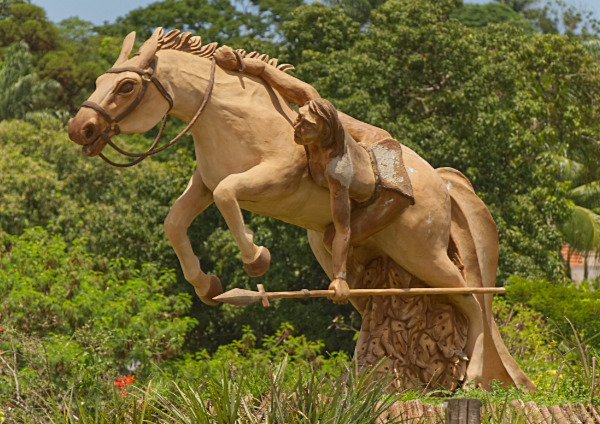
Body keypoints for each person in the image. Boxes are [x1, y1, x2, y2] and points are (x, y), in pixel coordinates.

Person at [215, 46, 414, 304]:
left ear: (322, 134)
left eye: (306, 127)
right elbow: (268, 71)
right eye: (299, 120)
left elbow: (343, 227)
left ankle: (359, 272)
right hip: (367, 139)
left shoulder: (336, 168)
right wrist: (240, 63)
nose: (296, 128)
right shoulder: (312, 104)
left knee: (330, 237)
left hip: (389, 190)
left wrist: (339, 276)